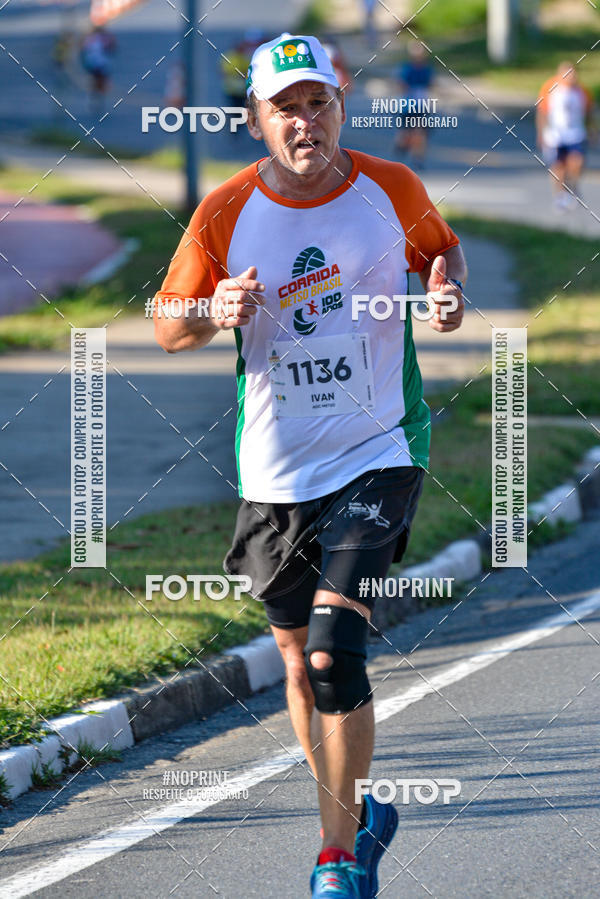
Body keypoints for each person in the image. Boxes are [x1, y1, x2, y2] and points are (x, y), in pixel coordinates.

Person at [154, 32, 466, 899]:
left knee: (333, 651)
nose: (304, 120)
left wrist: (443, 292)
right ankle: (356, 814)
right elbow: (168, 326)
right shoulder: (223, 210)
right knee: (296, 663)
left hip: (380, 448)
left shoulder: (389, 188)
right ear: (256, 120)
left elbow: (441, 251)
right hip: (277, 469)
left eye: (317, 101)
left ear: (340, 104)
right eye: (284, 107)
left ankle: (335, 856)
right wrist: (213, 308)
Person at [537, 61, 595, 211]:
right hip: (556, 135)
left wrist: (592, 130)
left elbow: (589, 113)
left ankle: (573, 187)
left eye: (573, 73)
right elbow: (542, 112)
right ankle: (560, 195)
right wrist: (541, 134)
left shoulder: (583, 92)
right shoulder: (550, 88)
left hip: (575, 134)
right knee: (559, 167)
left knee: (577, 162)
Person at [394, 42, 434, 169]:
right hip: (408, 106)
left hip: (422, 106)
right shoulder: (407, 69)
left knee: (420, 132)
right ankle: (402, 144)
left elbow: (431, 84)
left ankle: (418, 159)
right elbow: (401, 84)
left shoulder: (427, 69)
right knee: (407, 132)